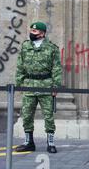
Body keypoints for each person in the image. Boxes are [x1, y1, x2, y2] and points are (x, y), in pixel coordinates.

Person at [15, 22, 62, 154]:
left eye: (35, 31)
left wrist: (56, 86)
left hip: (45, 85)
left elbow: (57, 68)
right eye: (31, 30)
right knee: (27, 115)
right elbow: (20, 65)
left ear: (42, 33)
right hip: (29, 84)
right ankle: (28, 142)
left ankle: (50, 142)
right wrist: (19, 83)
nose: (32, 33)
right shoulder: (25, 46)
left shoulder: (52, 48)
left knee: (48, 116)